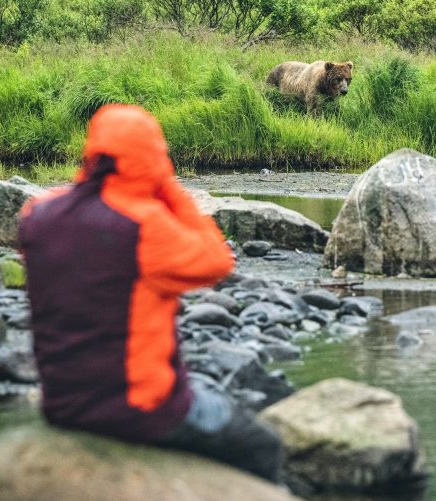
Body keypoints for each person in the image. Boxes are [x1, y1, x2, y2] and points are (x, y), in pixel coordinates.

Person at [18, 104, 283, 481]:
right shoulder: (144, 226)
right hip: (137, 410)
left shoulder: (37, 215)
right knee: (262, 444)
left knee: (204, 385)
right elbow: (217, 261)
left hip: (61, 405)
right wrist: (168, 188)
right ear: (152, 157)